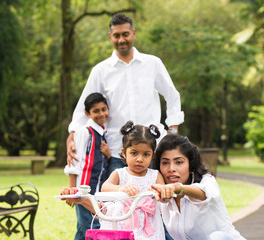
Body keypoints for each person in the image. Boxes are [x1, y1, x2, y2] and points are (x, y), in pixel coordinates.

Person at [66, 13, 184, 176]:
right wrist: (72, 135)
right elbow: (84, 107)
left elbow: (172, 96)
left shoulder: (153, 63)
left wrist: (173, 129)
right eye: (116, 35)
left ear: (133, 34)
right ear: (110, 37)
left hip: (152, 151)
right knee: (117, 200)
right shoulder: (100, 70)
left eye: (125, 34)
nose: (121, 39)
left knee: (154, 200)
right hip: (116, 152)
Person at [151, 134, 246, 240]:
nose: (171, 168)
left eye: (179, 162)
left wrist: (177, 188)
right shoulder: (161, 193)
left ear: (191, 164)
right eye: (165, 162)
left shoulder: (207, 181)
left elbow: (204, 194)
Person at [99, 121, 166, 239]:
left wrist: (158, 192)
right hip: (124, 223)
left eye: (146, 154)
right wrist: (121, 188)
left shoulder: (155, 175)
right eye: (134, 153)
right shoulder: (120, 174)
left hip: (149, 224)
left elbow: (163, 194)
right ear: (124, 153)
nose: (139, 159)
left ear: (153, 155)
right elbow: (105, 188)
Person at [63, 92, 111, 240]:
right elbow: (74, 162)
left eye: (104, 109)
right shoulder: (84, 132)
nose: (101, 114)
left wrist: (108, 155)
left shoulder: (102, 133)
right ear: (87, 114)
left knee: (83, 229)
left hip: (96, 192)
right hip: (83, 192)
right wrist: (73, 191)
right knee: (91, 227)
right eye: (96, 111)